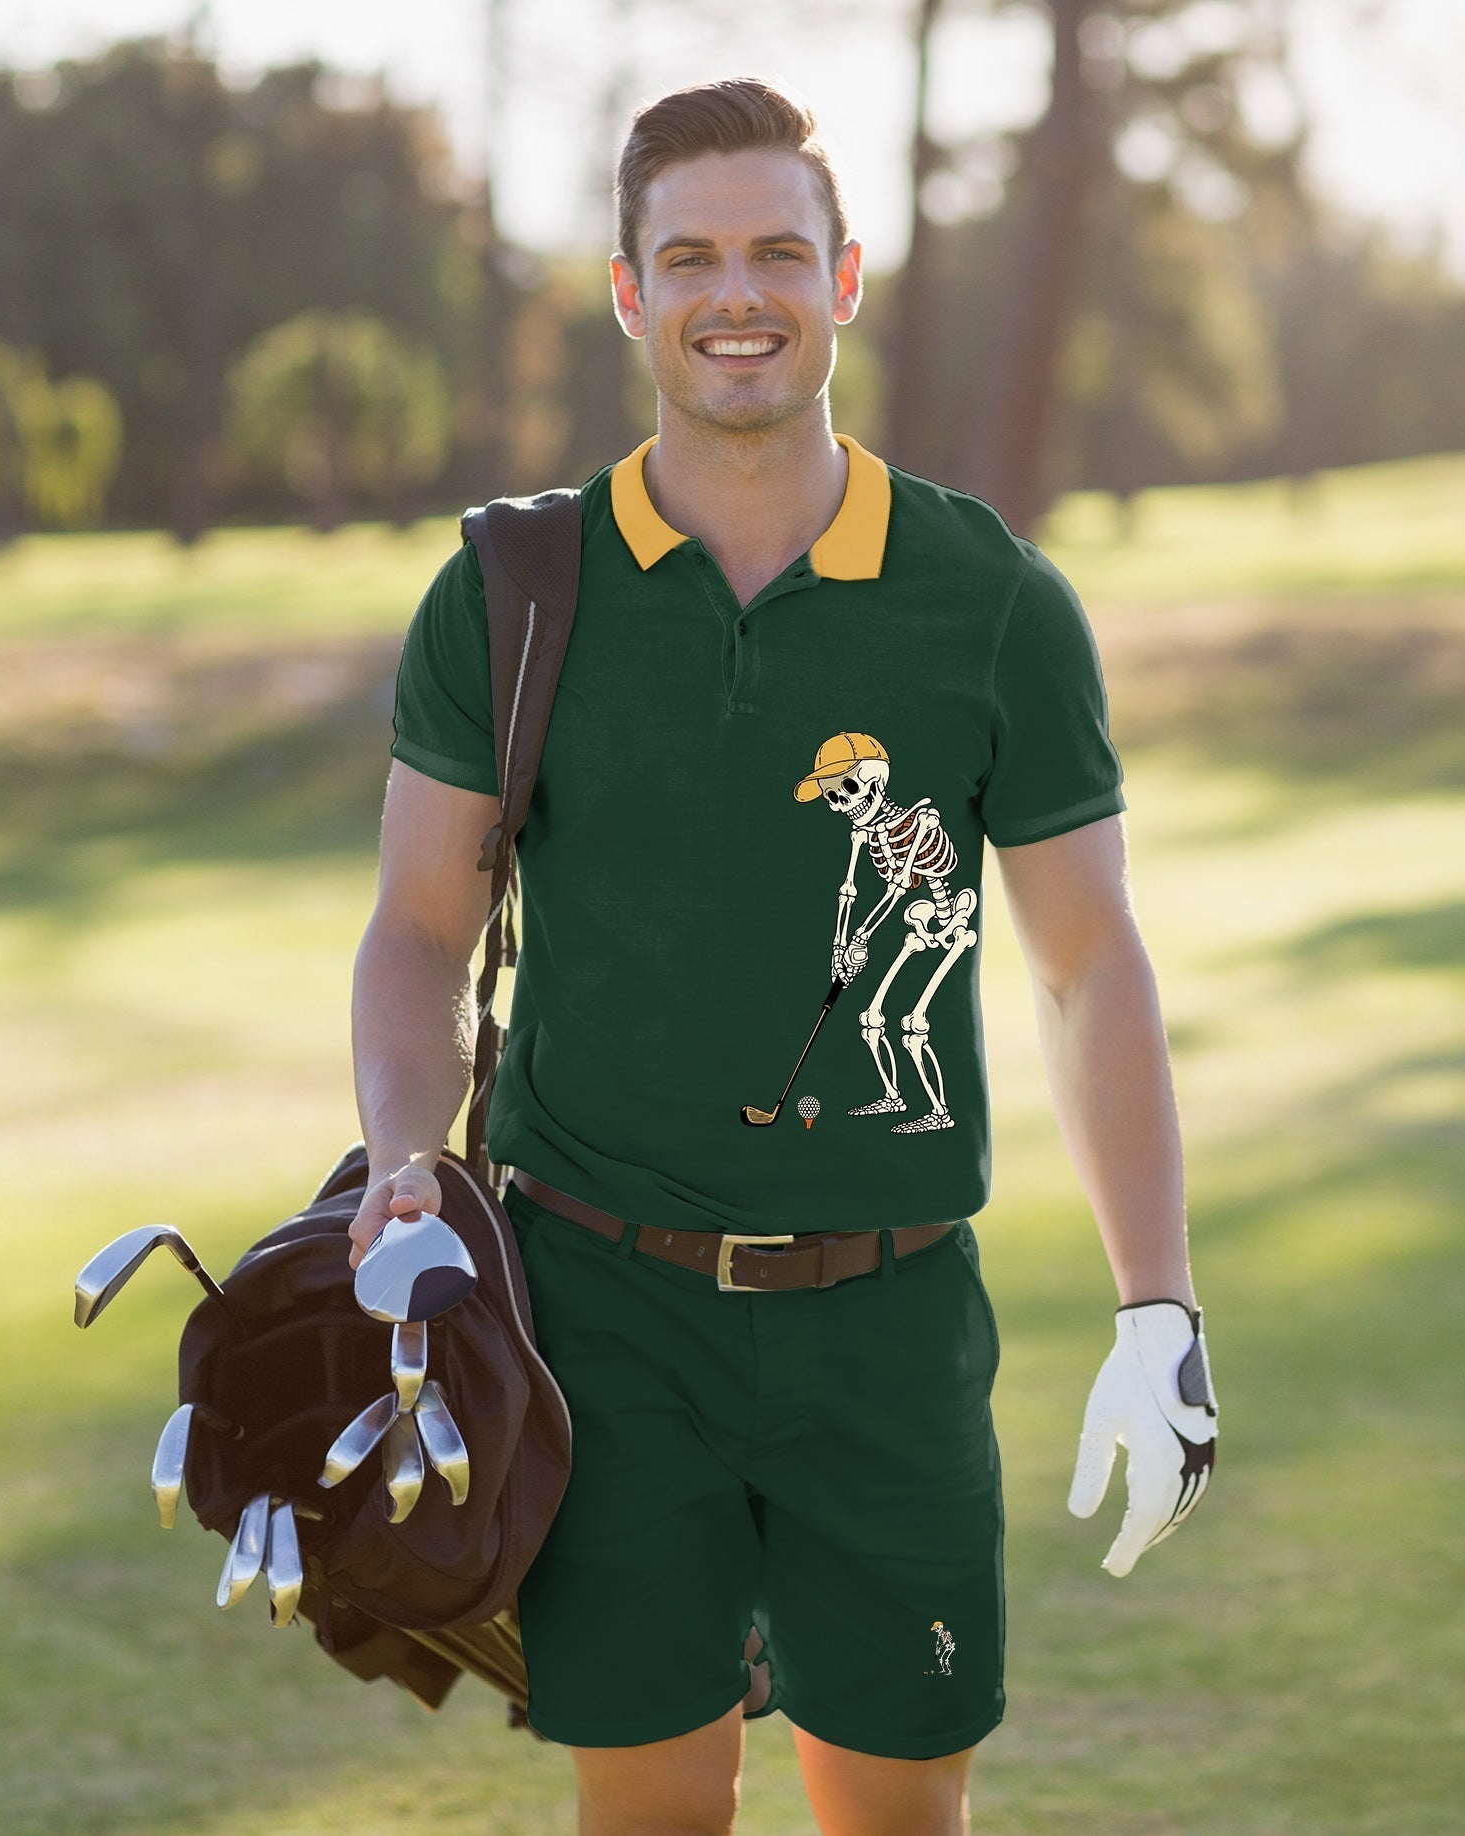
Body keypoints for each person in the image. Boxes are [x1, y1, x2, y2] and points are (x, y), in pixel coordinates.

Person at [348, 77, 1214, 1836]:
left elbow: (1086, 966)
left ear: (847, 277)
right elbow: (422, 927)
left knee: (897, 1809)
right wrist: (401, 1163)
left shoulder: (991, 600)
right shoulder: (515, 591)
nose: (735, 291)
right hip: (599, 1317)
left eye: (775, 252)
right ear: (628, 291)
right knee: (653, 1810)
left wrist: (1159, 1308)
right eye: (691, 257)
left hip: (890, 1321)